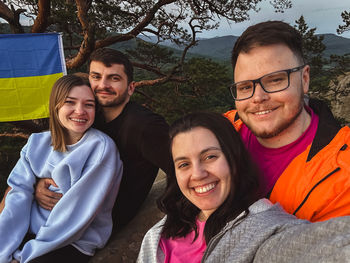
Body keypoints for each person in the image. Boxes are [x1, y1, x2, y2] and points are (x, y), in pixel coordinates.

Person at [137, 112, 350, 263]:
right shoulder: (167, 227)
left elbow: (309, 246)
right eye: (184, 164)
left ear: (233, 159)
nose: (198, 174)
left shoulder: (261, 227)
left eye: (210, 156)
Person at [33, 48, 172, 232]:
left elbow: (180, 168)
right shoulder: (86, 117)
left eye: (114, 78)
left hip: (96, 223)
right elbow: (56, 154)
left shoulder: (144, 125)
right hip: (62, 210)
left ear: (131, 88)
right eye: (96, 77)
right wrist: (38, 184)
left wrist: (172, 217)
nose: (102, 85)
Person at [224, 20, 350, 222]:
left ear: (305, 79)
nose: (258, 98)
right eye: (246, 87)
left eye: (275, 80)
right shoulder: (222, 132)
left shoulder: (342, 175)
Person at [0, 75, 122, 262]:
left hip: (70, 240)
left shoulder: (100, 148)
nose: (80, 111)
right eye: (70, 102)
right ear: (55, 105)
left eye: (89, 105)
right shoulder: (37, 143)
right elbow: (17, 195)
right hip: (28, 232)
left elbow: (77, 213)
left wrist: (25, 256)